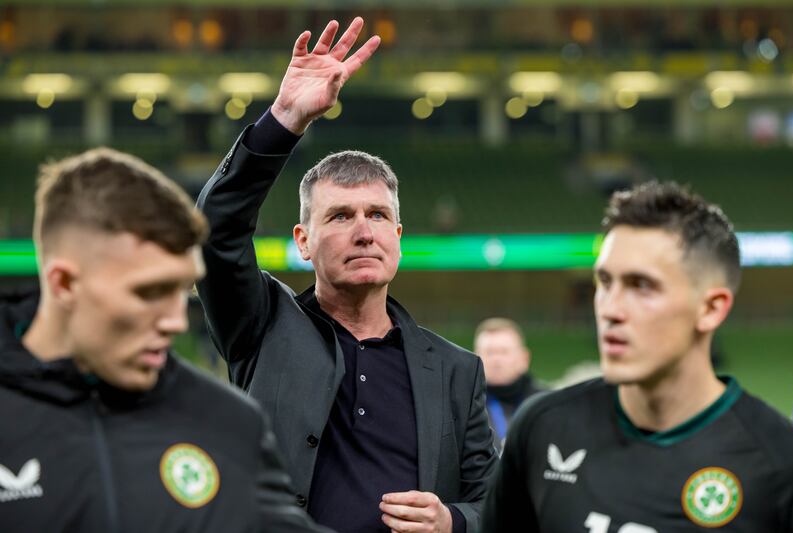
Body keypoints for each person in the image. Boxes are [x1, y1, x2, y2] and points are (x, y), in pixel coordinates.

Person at [197, 17, 497, 533]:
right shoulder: (262, 327)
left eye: (377, 215)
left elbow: (496, 503)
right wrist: (285, 117)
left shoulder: (456, 370)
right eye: (339, 216)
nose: (364, 232)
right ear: (303, 241)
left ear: (398, 236)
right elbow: (212, 232)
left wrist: (454, 521)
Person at [0, 148, 327, 532]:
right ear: (65, 283)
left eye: (181, 290)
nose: (175, 322)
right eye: (149, 292)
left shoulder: (228, 422)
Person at [481, 181, 793, 532]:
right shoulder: (543, 427)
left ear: (710, 308)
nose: (610, 309)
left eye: (641, 285)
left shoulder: (781, 465)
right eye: (604, 282)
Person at [473, 317, 545, 452]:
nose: (496, 360)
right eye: (489, 352)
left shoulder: (546, 404)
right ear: (475, 358)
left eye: (504, 352)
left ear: (524, 358)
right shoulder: (463, 406)